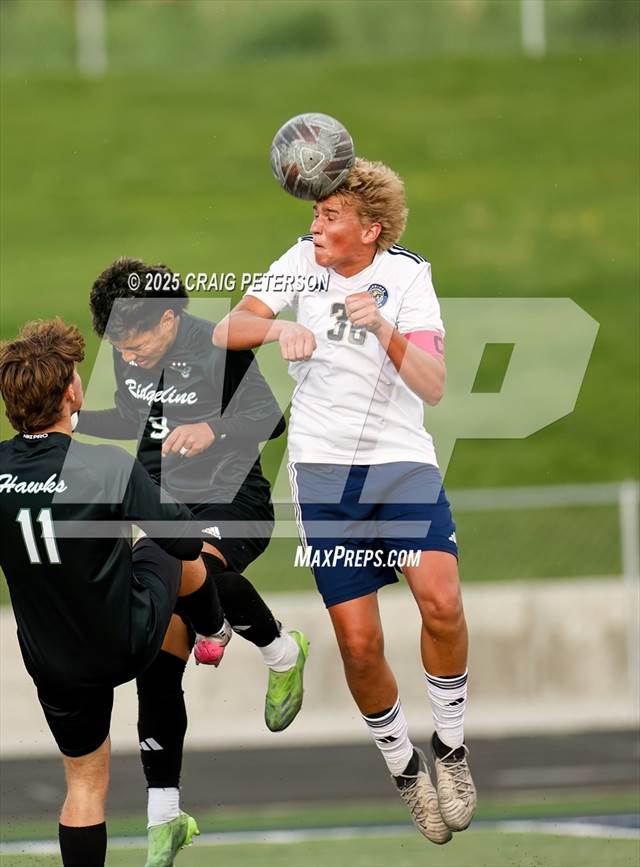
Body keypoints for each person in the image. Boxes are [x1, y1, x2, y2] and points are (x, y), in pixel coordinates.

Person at [213, 158, 476, 844]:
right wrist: (276, 330)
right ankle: (404, 768)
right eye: (316, 214)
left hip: (401, 466)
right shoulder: (301, 260)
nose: (315, 225)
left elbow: (435, 383)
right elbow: (227, 329)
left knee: (442, 601)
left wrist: (384, 329)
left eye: (330, 216)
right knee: (361, 644)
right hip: (325, 476)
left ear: (372, 229)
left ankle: (450, 750)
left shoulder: (408, 275)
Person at [77, 259, 309, 862]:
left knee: (194, 564)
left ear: (171, 317)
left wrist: (213, 428)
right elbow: (131, 419)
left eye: (136, 343)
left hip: (233, 501)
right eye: (118, 349)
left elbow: (271, 418)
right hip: (163, 504)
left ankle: (281, 651)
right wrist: (73, 420)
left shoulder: (218, 342)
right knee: (158, 662)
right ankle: (165, 819)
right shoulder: (133, 359)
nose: (127, 357)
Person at [0, 319, 227, 866]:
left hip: (55, 664)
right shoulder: (105, 463)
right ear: (71, 394)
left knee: (83, 785)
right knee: (168, 547)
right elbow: (182, 540)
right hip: (127, 638)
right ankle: (216, 630)